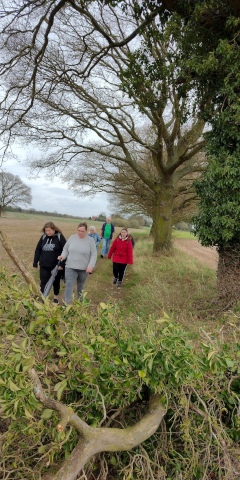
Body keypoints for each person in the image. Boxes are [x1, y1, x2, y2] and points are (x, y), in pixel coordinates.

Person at [58, 222, 97, 304]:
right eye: (78, 230)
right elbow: (65, 249)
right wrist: (63, 256)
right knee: (69, 285)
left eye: (82, 231)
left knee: (81, 286)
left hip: (83, 269)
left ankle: (80, 303)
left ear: (86, 231)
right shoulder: (72, 238)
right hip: (70, 267)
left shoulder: (90, 241)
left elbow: (94, 254)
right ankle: (67, 304)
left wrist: (91, 266)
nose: (80, 232)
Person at [33, 221, 66, 304]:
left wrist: (62, 264)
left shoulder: (59, 237)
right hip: (44, 265)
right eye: (46, 230)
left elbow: (66, 251)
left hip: (56, 266)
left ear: (54, 229)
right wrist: (35, 262)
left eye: (49, 230)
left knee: (56, 282)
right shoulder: (43, 237)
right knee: (43, 282)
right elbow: (38, 250)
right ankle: (43, 298)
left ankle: (56, 298)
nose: (48, 232)